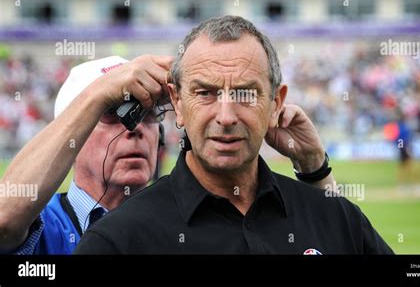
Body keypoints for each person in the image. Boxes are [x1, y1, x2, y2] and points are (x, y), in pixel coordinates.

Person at [75, 15, 393, 254]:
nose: (226, 117)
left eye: (245, 94)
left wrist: (315, 169)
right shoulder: (117, 240)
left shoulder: (336, 217)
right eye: (205, 93)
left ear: (276, 103)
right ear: (177, 102)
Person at [0, 52, 334, 254]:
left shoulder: (196, 217)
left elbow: (330, 244)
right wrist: (99, 92)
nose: (133, 129)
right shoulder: (46, 226)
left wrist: (312, 167)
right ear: (70, 132)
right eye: (110, 114)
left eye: (148, 115)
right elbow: (3, 219)